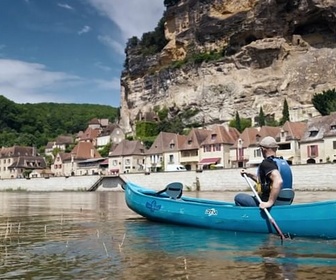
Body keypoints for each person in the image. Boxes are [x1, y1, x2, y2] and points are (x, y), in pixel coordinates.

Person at [234, 136, 293, 208]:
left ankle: (250, 217)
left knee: (239, 197)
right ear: (276, 148)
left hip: (269, 204)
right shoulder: (281, 162)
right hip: (283, 203)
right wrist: (249, 174)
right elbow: (265, 183)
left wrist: (269, 202)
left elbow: (278, 181)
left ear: (262, 149)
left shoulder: (267, 163)